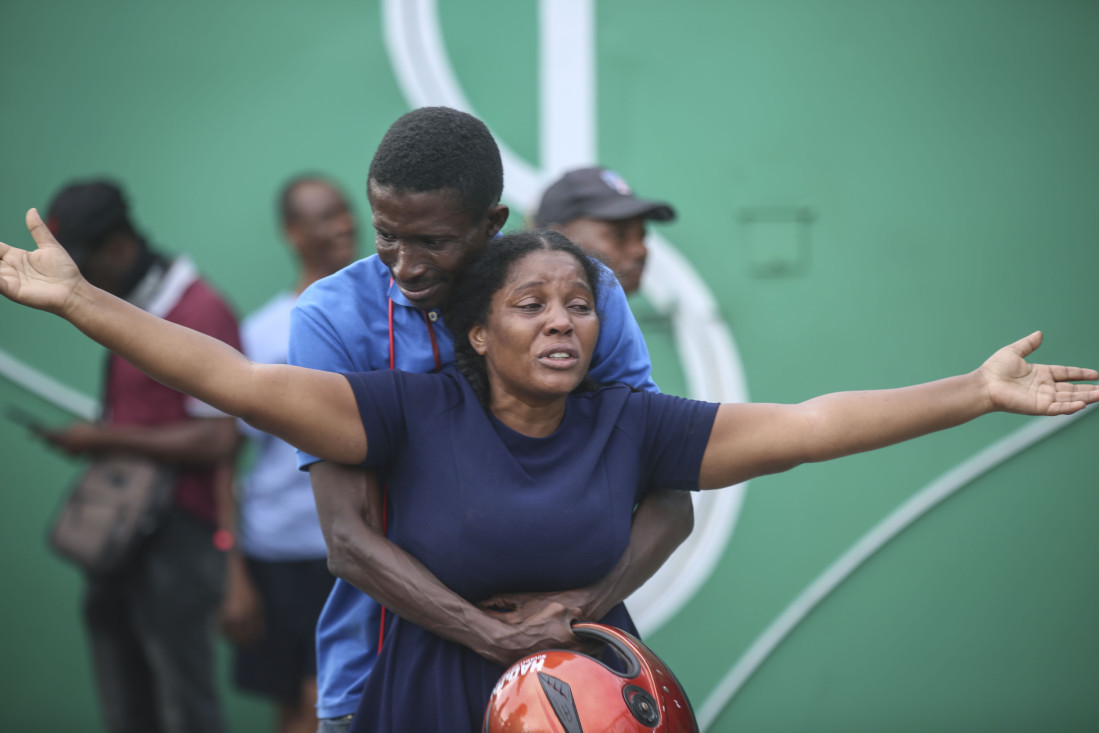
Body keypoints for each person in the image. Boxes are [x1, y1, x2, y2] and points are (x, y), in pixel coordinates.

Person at [3, 219, 1096, 731]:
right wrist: (80, 302)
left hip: (593, 708)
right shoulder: (405, 413)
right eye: (531, 304)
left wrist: (972, 389)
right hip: (426, 703)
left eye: (577, 301)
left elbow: (808, 424)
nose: (562, 319)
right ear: (476, 329)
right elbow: (234, 380)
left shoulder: (632, 425)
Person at [290, 106, 692, 732]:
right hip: (372, 676)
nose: (406, 265)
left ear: (492, 223)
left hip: (561, 684)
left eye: (434, 241)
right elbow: (347, 537)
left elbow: (670, 494)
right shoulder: (331, 316)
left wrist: (574, 610)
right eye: (387, 235)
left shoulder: (584, 298)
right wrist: (490, 634)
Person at [33, 182, 241, 733]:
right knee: (125, 709)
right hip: (120, 541)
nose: (72, 280)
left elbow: (217, 439)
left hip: (178, 541)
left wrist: (102, 440)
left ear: (119, 249)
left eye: (80, 264)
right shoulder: (131, 306)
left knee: (185, 710)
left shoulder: (199, 308)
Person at [220, 175, 355, 733]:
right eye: (324, 217)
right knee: (299, 708)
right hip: (281, 557)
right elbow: (223, 462)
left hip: (361, 551)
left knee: (335, 700)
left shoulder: (388, 316)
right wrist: (233, 571)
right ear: (293, 234)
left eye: (345, 210)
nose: (343, 225)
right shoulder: (262, 335)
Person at [534, 166, 676, 294]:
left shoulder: (616, 321)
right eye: (618, 235)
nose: (640, 250)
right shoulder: (521, 322)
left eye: (642, 236)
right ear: (556, 239)